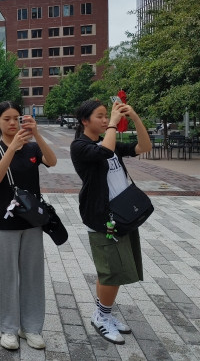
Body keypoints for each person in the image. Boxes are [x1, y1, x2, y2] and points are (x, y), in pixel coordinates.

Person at [70, 99, 151, 344]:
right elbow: (104, 152)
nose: (105, 120)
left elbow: (144, 147)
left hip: (122, 214)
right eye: (100, 116)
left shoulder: (109, 141)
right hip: (102, 218)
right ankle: (101, 317)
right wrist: (114, 124)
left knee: (111, 270)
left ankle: (102, 314)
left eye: (107, 115)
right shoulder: (80, 146)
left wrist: (134, 116)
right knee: (111, 272)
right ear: (85, 121)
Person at [0, 101, 57, 350]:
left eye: (16, 118)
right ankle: (7, 328)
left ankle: (31, 327)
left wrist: (37, 134)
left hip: (32, 221)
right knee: (7, 276)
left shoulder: (32, 147)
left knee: (33, 275)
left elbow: (52, 160)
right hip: (5, 222)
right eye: (7, 119)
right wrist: (12, 148)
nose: (13, 123)